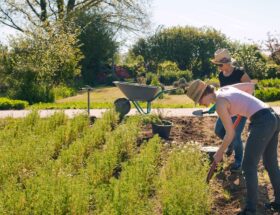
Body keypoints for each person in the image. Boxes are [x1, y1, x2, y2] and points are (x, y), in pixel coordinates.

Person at [186, 79, 280, 215]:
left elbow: (230, 134)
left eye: (199, 100)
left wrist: (219, 152)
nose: (201, 104)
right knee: (270, 163)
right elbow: (249, 86)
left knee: (248, 166)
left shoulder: (220, 103)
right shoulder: (225, 89)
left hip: (262, 122)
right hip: (273, 117)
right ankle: (278, 203)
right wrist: (244, 107)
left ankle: (250, 209)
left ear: (203, 94)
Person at [211, 48, 251, 172]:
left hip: (240, 109)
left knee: (236, 135)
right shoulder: (221, 75)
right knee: (218, 130)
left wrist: (244, 108)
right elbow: (224, 93)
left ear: (227, 62)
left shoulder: (240, 73)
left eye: (220, 64)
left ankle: (239, 161)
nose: (218, 67)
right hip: (228, 109)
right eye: (217, 65)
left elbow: (250, 89)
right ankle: (230, 143)